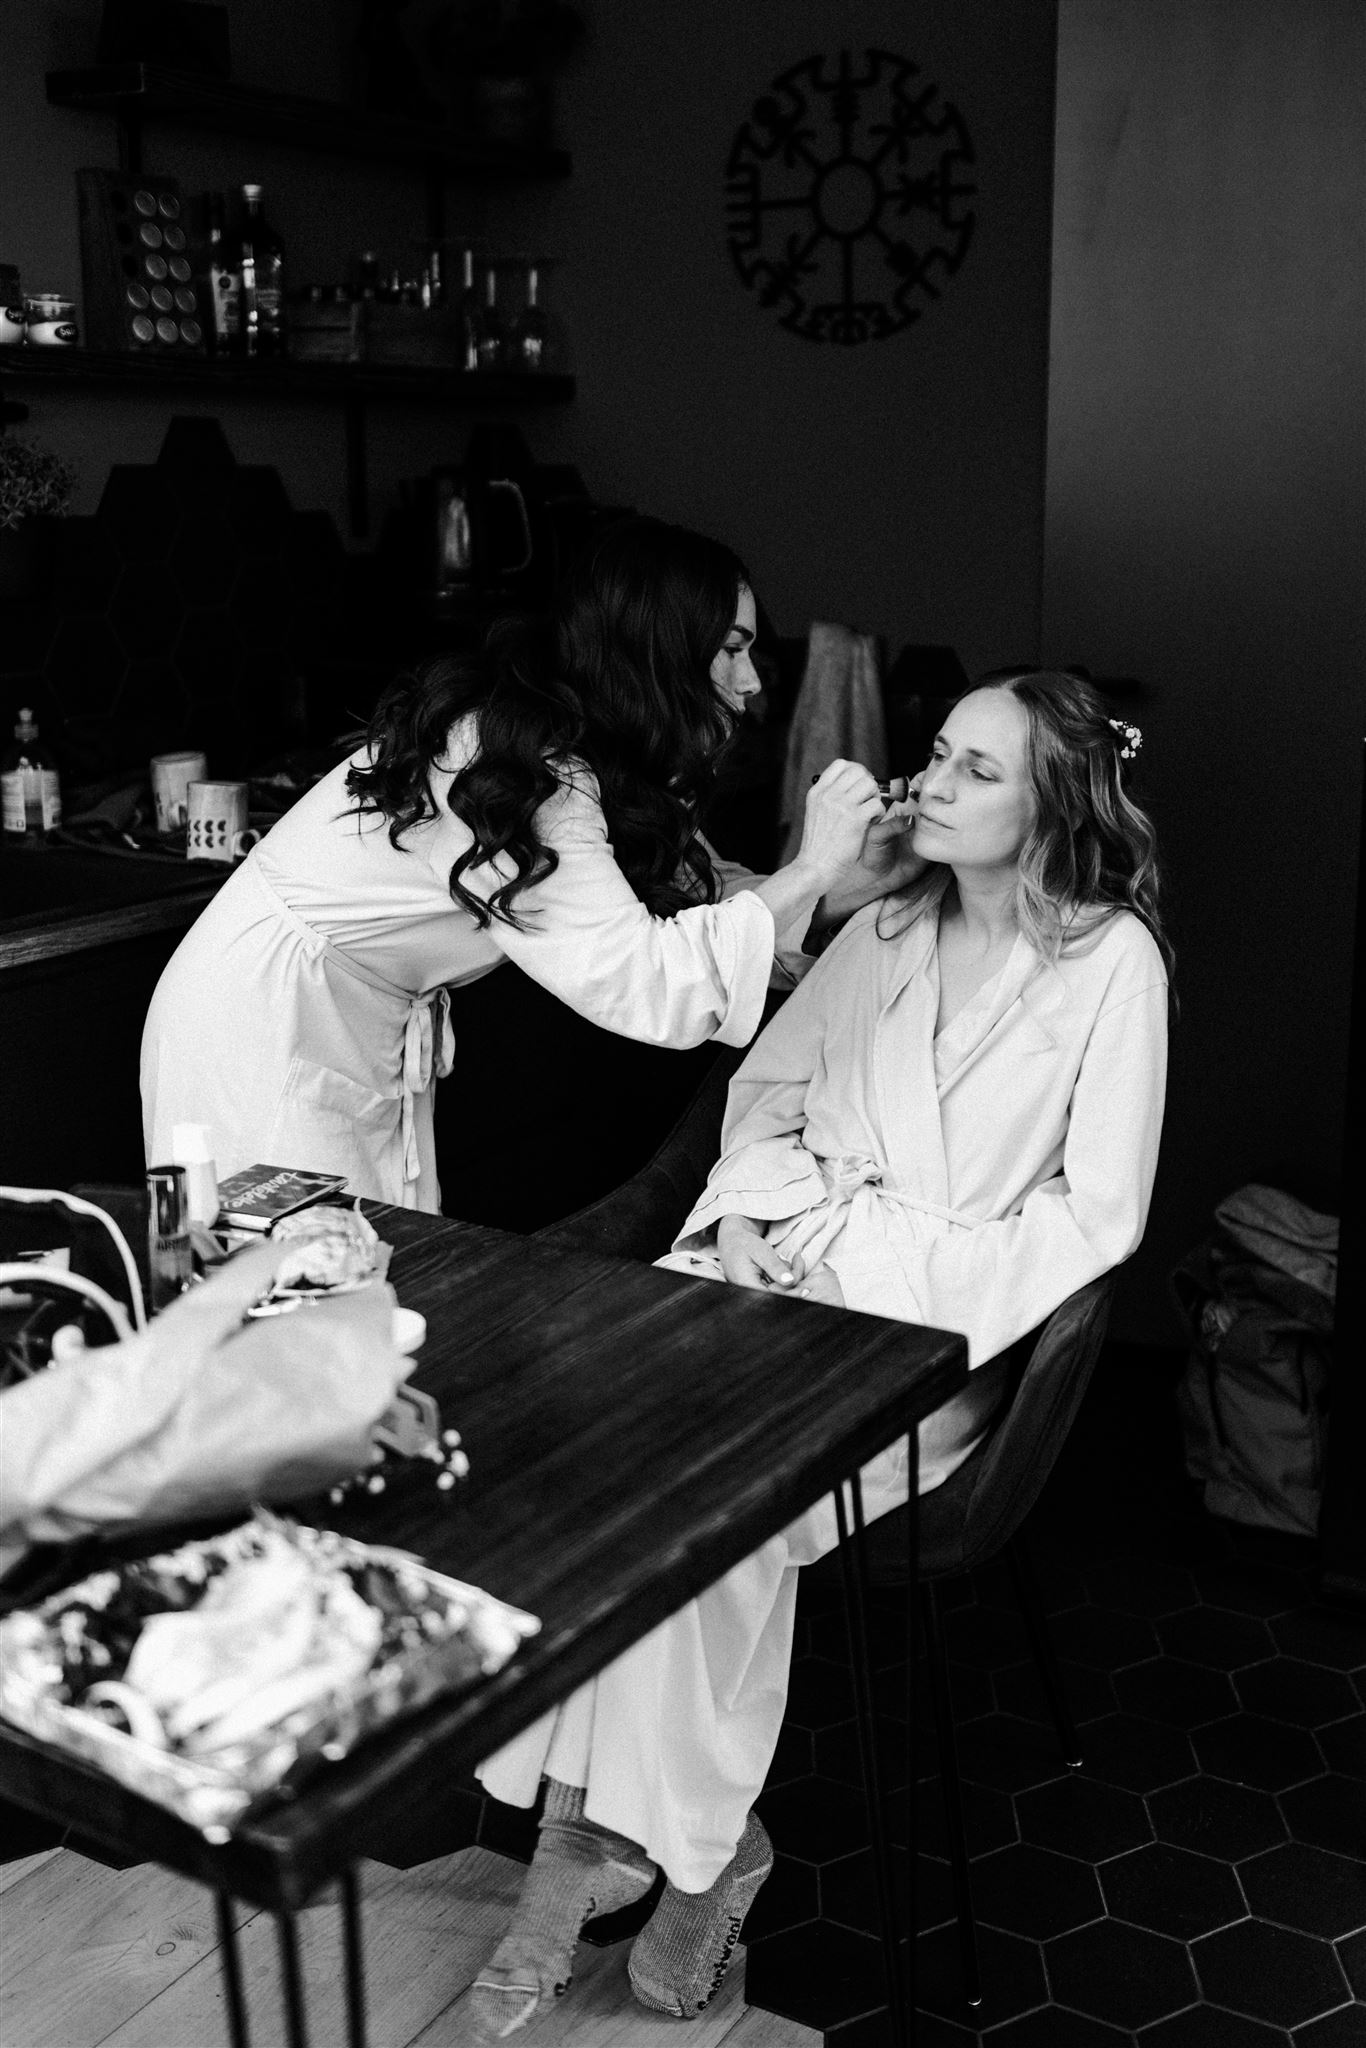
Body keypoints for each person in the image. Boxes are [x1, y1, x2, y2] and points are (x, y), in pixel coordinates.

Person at [465, 668, 1170, 2038]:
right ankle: (688, 1842)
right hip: (771, 1267)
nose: (930, 783)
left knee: (713, 1504)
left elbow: (1096, 1215)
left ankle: (628, 1845)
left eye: (975, 770)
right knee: (591, 1446)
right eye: (936, 754)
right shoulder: (885, 922)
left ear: (1053, 804)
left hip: (932, 1334)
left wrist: (887, 1292)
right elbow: (765, 1095)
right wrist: (742, 1223)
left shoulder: (1111, 965)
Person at [140, 518, 916, 1211]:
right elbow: (645, 979)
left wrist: (860, 875)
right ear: (661, 652)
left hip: (352, 1023)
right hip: (265, 1027)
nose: (751, 682)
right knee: (292, 1287)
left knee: (362, 1275)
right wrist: (812, 866)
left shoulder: (598, 758)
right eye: (733, 650)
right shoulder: (517, 768)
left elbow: (700, 899)